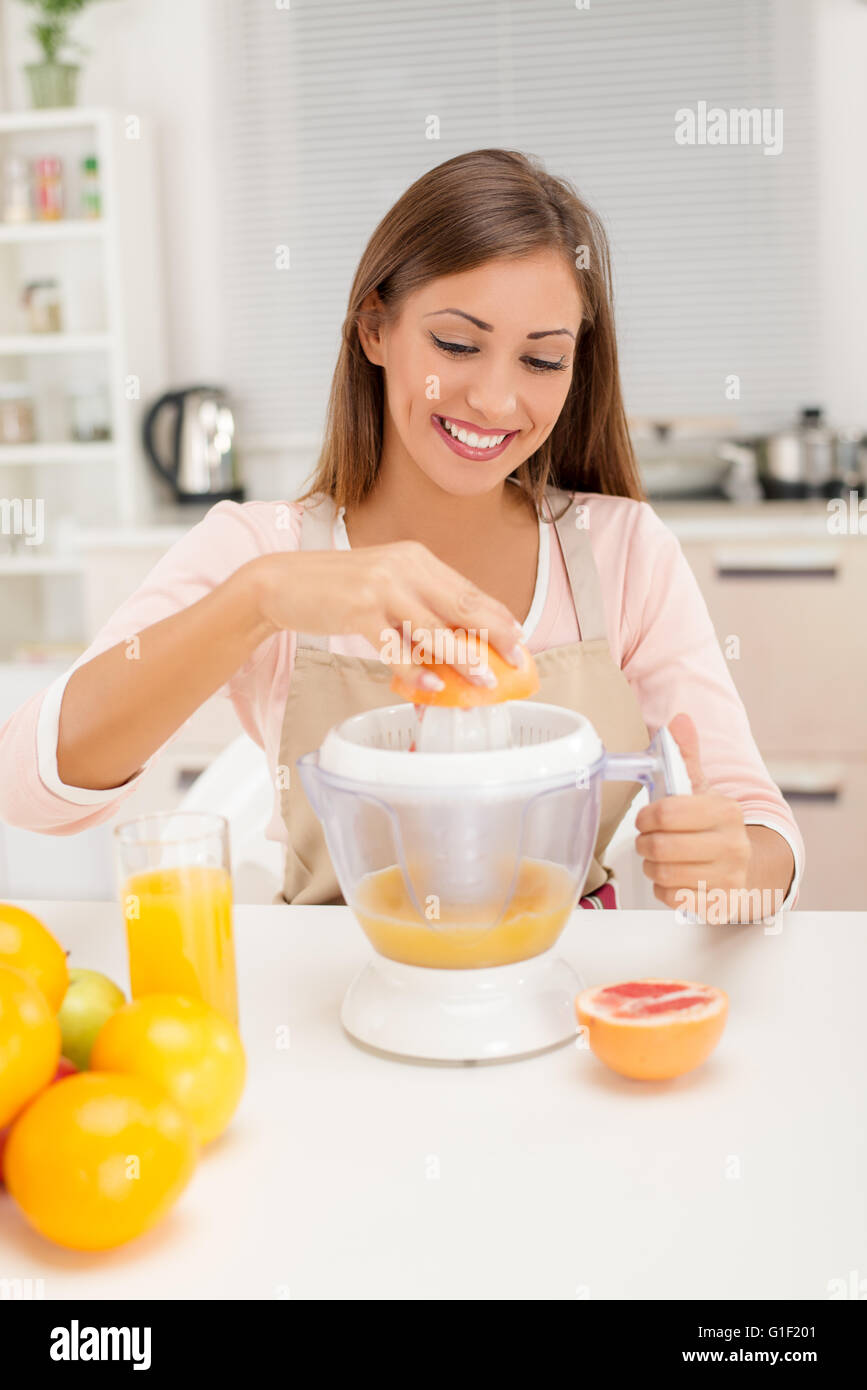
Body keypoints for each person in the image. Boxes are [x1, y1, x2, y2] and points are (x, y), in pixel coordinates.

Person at [0, 149, 802, 921]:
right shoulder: (256, 552)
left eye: (542, 360)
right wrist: (262, 599)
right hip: (334, 995)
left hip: (566, 998)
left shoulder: (626, 553)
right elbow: (30, 789)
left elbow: (761, 830)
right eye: (455, 344)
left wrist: (738, 866)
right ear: (375, 329)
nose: (493, 399)